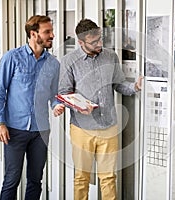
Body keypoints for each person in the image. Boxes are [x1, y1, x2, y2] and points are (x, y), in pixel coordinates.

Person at [58, 18, 142, 200]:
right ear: (80, 42)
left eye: (100, 39)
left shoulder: (111, 56)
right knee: (82, 178)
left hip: (109, 127)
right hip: (82, 129)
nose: (99, 44)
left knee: (109, 177)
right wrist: (80, 106)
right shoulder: (69, 61)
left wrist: (134, 87)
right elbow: (64, 92)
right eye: (94, 41)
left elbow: (119, 84)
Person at [0, 15, 65, 200]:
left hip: (41, 131)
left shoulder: (53, 64)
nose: (52, 35)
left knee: (35, 180)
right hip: (14, 130)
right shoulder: (12, 57)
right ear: (33, 34)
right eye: (47, 32)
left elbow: (54, 95)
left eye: (51, 31)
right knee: (11, 180)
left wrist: (57, 105)